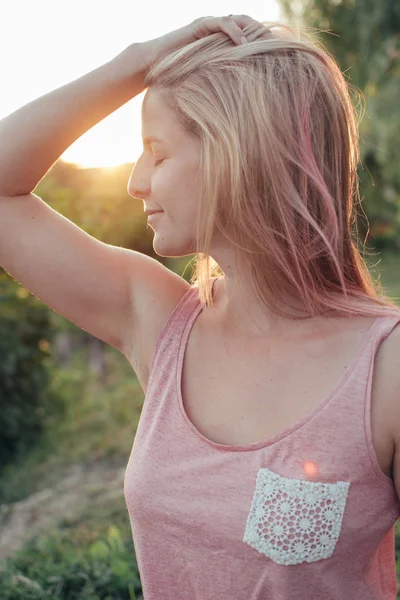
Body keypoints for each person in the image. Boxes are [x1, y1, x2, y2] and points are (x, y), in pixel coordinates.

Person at [0, 13, 399, 600]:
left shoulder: (385, 368)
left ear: (236, 154)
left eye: (157, 154)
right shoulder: (158, 319)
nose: (135, 182)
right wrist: (133, 63)